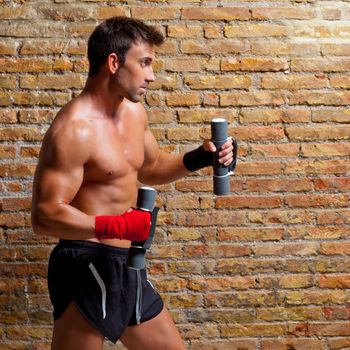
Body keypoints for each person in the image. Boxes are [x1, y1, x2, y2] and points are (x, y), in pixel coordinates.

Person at [31, 16, 235, 350]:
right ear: (114, 62)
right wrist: (118, 226)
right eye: (144, 63)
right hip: (85, 263)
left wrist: (200, 157)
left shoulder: (133, 113)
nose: (151, 75)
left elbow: (152, 167)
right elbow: (44, 216)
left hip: (127, 264)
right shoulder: (74, 129)